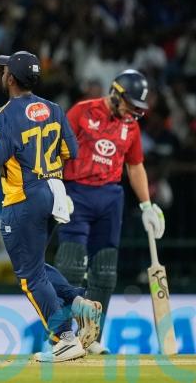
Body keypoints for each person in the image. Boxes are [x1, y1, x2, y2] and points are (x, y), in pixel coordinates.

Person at [0, 51, 102, 362]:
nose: (3, 73)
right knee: (36, 265)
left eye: (5, 69)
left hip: (23, 198)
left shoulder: (5, 114)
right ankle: (79, 303)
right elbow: (71, 151)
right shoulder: (54, 108)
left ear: (10, 78)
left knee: (30, 276)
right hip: (55, 193)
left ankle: (64, 337)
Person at [54, 69, 165, 355]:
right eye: (131, 105)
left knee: (104, 271)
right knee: (70, 266)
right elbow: (54, 150)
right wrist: (56, 188)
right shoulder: (82, 111)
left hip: (110, 198)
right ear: (116, 93)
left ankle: (91, 338)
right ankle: (62, 336)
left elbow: (135, 166)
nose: (134, 112)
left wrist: (146, 205)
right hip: (77, 193)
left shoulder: (131, 126)